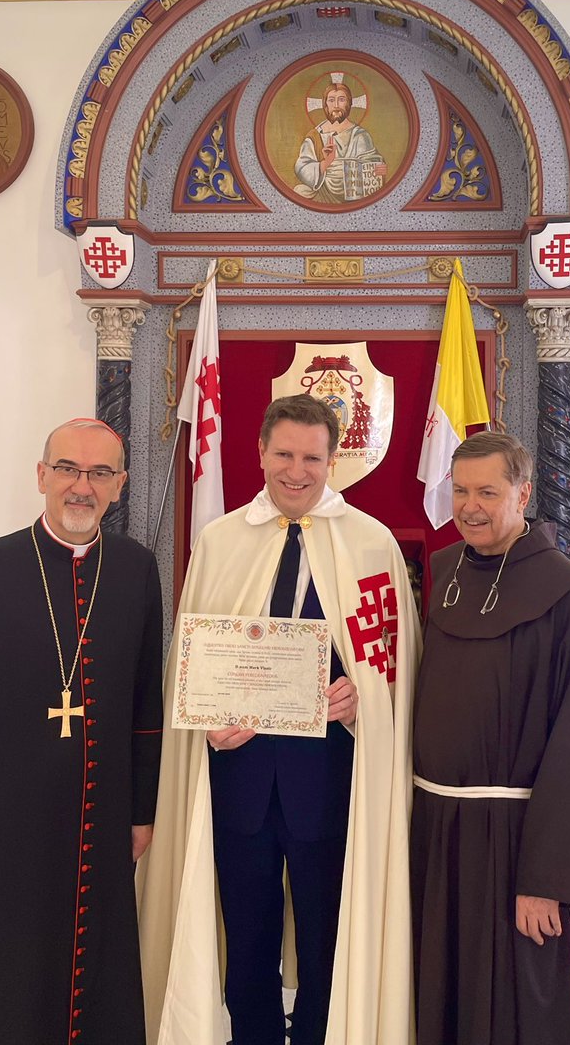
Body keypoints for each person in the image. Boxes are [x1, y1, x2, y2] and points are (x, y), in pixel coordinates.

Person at [138, 394, 419, 1045]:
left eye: (312, 458)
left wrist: (360, 703)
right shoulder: (221, 540)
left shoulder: (370, 543)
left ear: (332, 461)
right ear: (261, 453)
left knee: (328, 938)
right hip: (239, 778)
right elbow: (191, 657)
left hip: (329, 782)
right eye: (284, 454)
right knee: (247, 937)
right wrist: (205, 720)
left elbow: (390, 669)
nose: (297, 471)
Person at [0, 418, 164, 1045]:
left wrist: (140, 811)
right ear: (42, 476)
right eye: (69, 470)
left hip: (97, 830)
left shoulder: (135, 570)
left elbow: (145, 704)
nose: (83, 486)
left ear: (120, 484)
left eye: (101, 473)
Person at [411, 431, 570, 1045]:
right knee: (436, 988)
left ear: (523, 494)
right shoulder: (442, 571)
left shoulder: (568, 593)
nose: (470, 505)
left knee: (510, 1005)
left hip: (513, 839)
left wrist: (545, 880)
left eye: (488, 492)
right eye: (461, 490)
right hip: (434, 826)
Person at [293, 82, 387, 203]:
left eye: (341, 99)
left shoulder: (359, 135)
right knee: (300, 192)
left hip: (354, 193)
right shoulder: (315, 136)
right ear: (325, 104)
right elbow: (302, 168)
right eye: (331, 100)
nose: (336, 105)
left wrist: (379, 169)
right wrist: (326, 162)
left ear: (349, 103)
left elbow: (374, 165)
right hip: (322, 190)